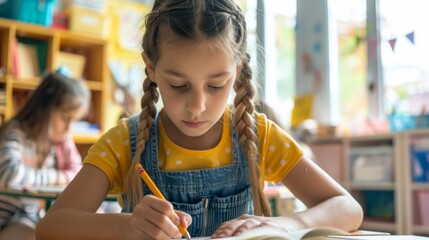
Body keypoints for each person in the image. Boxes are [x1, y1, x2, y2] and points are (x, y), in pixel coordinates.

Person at [36, 1, 363, 239]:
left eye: (216, 85)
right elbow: (51, 227)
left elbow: (346, 207)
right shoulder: (126, 141)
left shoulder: (258, 134)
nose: (197, 106)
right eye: (179, 85)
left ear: (237, 72)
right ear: (151, 69)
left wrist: (288, 224)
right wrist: (126, 226)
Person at [0, 71, 90, 240]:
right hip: (6, 220)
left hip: (31, 217)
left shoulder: (55, 143)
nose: (68, 128)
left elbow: (78, 173)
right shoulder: (16, 133)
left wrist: (67, 144)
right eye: (65, 118)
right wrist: (58, 176)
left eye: (74, 121)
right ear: (45, 109)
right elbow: (9, 175)